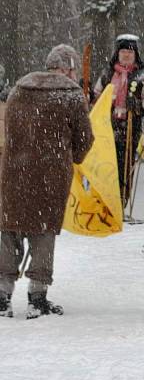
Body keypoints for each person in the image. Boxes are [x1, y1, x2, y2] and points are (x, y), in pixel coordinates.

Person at [0, 44, 93, 319]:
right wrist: (71, 156)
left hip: (14, 172)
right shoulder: (70, 96)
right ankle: (37, 296)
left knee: (8, 229)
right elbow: (84, 139)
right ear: (66, 69)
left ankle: (2, 295)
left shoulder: (18, 91)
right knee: (43, 230)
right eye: (73, 70)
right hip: (50, 175)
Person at [93, 34, 144, 204]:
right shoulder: (108, 74)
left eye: (130, 52)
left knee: (125, 164)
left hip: (130, 126)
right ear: (117, 54)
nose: (126, 55)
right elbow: (97, 95)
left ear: (135, 55)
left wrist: (137, 105)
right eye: (123, 51)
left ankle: (121, 199)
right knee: (107, 163)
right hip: (108, 126)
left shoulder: (142, 76)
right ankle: (105, 198)